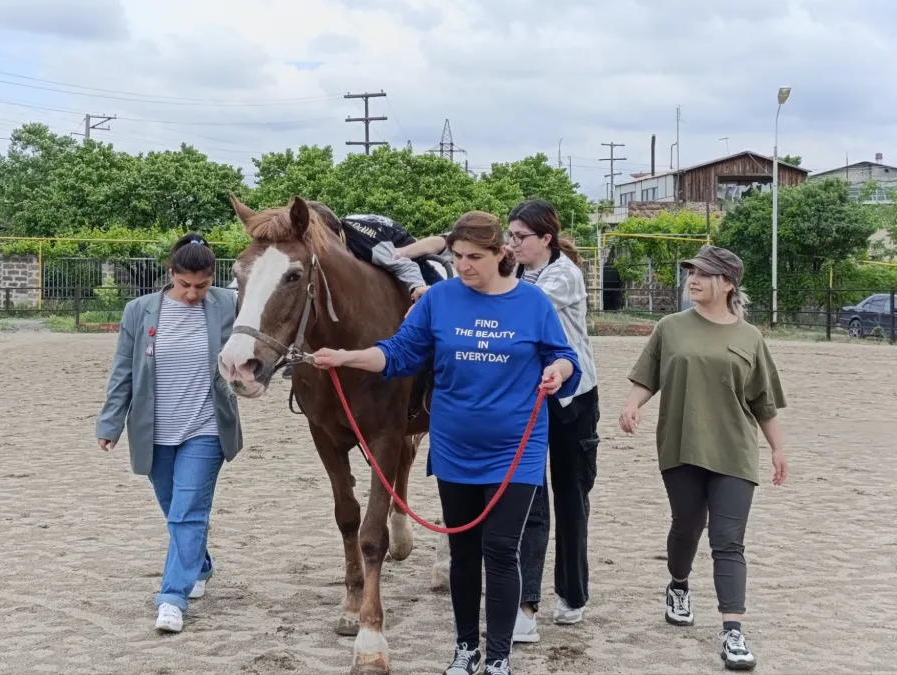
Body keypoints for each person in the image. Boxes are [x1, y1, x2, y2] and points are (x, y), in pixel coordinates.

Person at [312, 211, 583, 675]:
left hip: (516, 448)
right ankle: (465, 650)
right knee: (464, 553)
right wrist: (346, 357)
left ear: (502, 254)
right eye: (456, 256)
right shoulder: (439, 300)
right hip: (455, 447)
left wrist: (559, 371)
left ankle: (498, 657)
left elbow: (563, 355)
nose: (463, 265)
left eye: (474, 257)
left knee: (500, 551)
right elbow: (398, 354)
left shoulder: (533, 303)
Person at [619, 244, 789, 672]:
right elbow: (647, 376)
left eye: (703, 274)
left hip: (734, 450)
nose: (692, 279)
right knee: (687, 526)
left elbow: (762, 402)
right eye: (690, 272)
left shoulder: (750, 337)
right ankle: (678, 584)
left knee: (728, 541)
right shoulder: (670, 327)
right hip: (680, 446)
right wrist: (633, 403)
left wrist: (778, 448)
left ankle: (733, 632)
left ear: (728, 283)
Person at [95, 234, 243, 634]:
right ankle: (201, 565)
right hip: (153, 430)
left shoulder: (229, 305)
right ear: (170, 274)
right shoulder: (139, 311)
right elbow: (123, 371)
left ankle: (172, 598)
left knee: (187, 512)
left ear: (213, 279)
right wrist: (110, 422)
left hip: (206, 428)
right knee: (174, 512)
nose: (193, 294)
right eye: (185, 285)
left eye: (202, 286)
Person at [506, 199, 600, 642]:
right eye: (509, 236)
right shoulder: (517, 271)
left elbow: (520, 306)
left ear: (545, 239)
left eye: (519, 237)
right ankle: (526, 601)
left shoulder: (564, 274)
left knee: (571, 495)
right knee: (529, 497)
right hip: (529, 397)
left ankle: (572, 593)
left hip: (573, 398)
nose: (512, 244)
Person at [306, 202, 446, 301]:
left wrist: (418, 288)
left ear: (330, 232)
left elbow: (404, 265)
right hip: (379, 232)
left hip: (397, 244)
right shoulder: (343, 230)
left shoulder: (363, 243)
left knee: (440, 294)